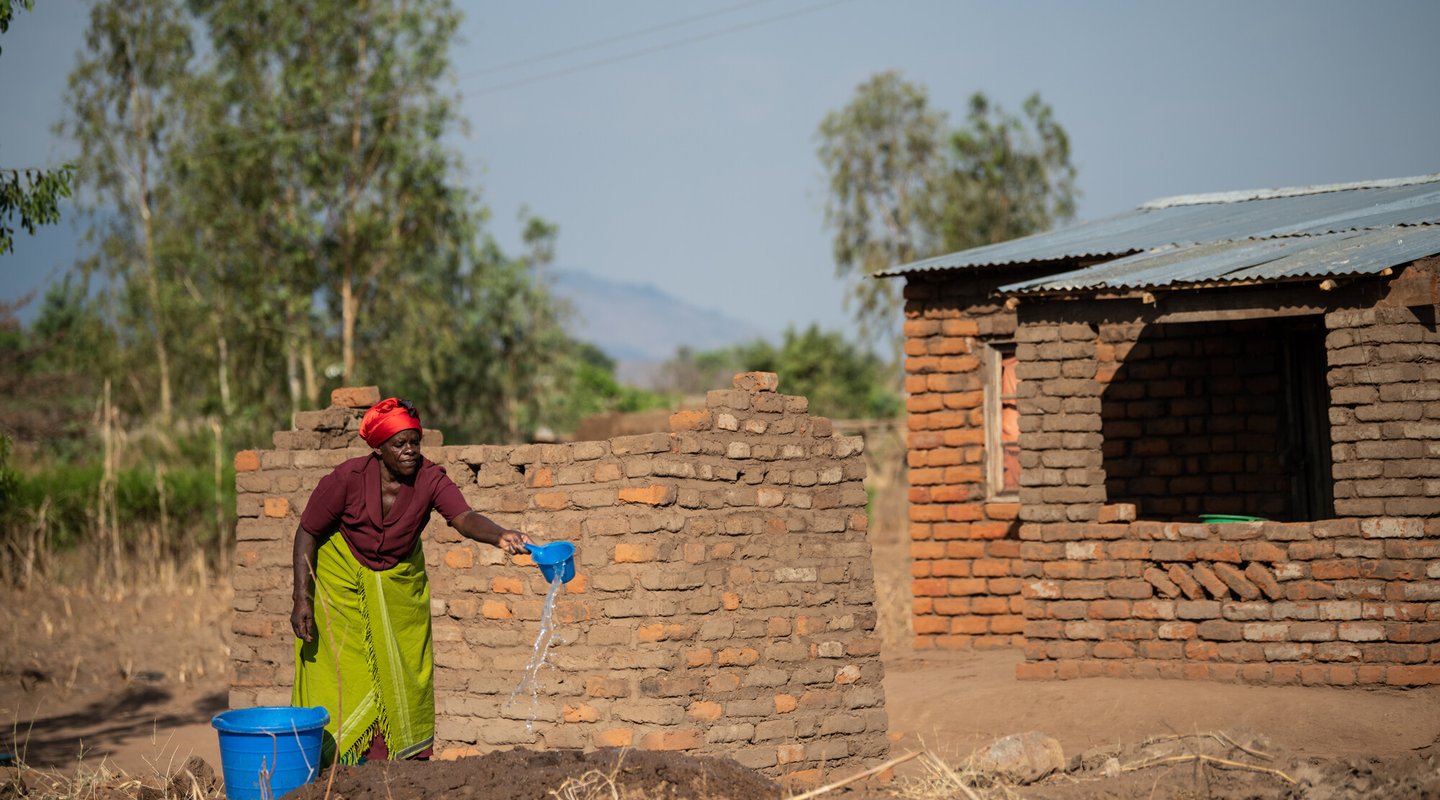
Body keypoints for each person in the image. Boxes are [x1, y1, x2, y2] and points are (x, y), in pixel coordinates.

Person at [290, 397, 533, 765]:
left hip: (400, 588)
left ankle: (398, 769)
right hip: (340, 588)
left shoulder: (430, 478)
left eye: (414, 443)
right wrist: (301, 598)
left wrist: (500, 535)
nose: (409, 452)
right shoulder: (346, 479)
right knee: (344, 673)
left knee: (402, 673)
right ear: (379, 448)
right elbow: (307, 532)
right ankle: (340, 767)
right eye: (399, 444)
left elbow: (463, 517)